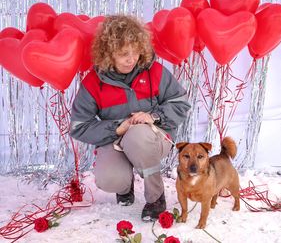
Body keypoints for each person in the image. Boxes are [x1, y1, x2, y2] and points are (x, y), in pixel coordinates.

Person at [70, 15, 191, 221]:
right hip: (116, 140)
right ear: (108, 53)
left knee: (137, 135)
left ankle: (156, 198)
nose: (131, 59)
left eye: (135, 52)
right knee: (109, 179)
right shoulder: (92, 83)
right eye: (124, 53)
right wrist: (117, 128)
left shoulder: (155, 72)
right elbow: (79, 126)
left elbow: (181, 103)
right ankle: (125, 187)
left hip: (154, 138)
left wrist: (153, 116)